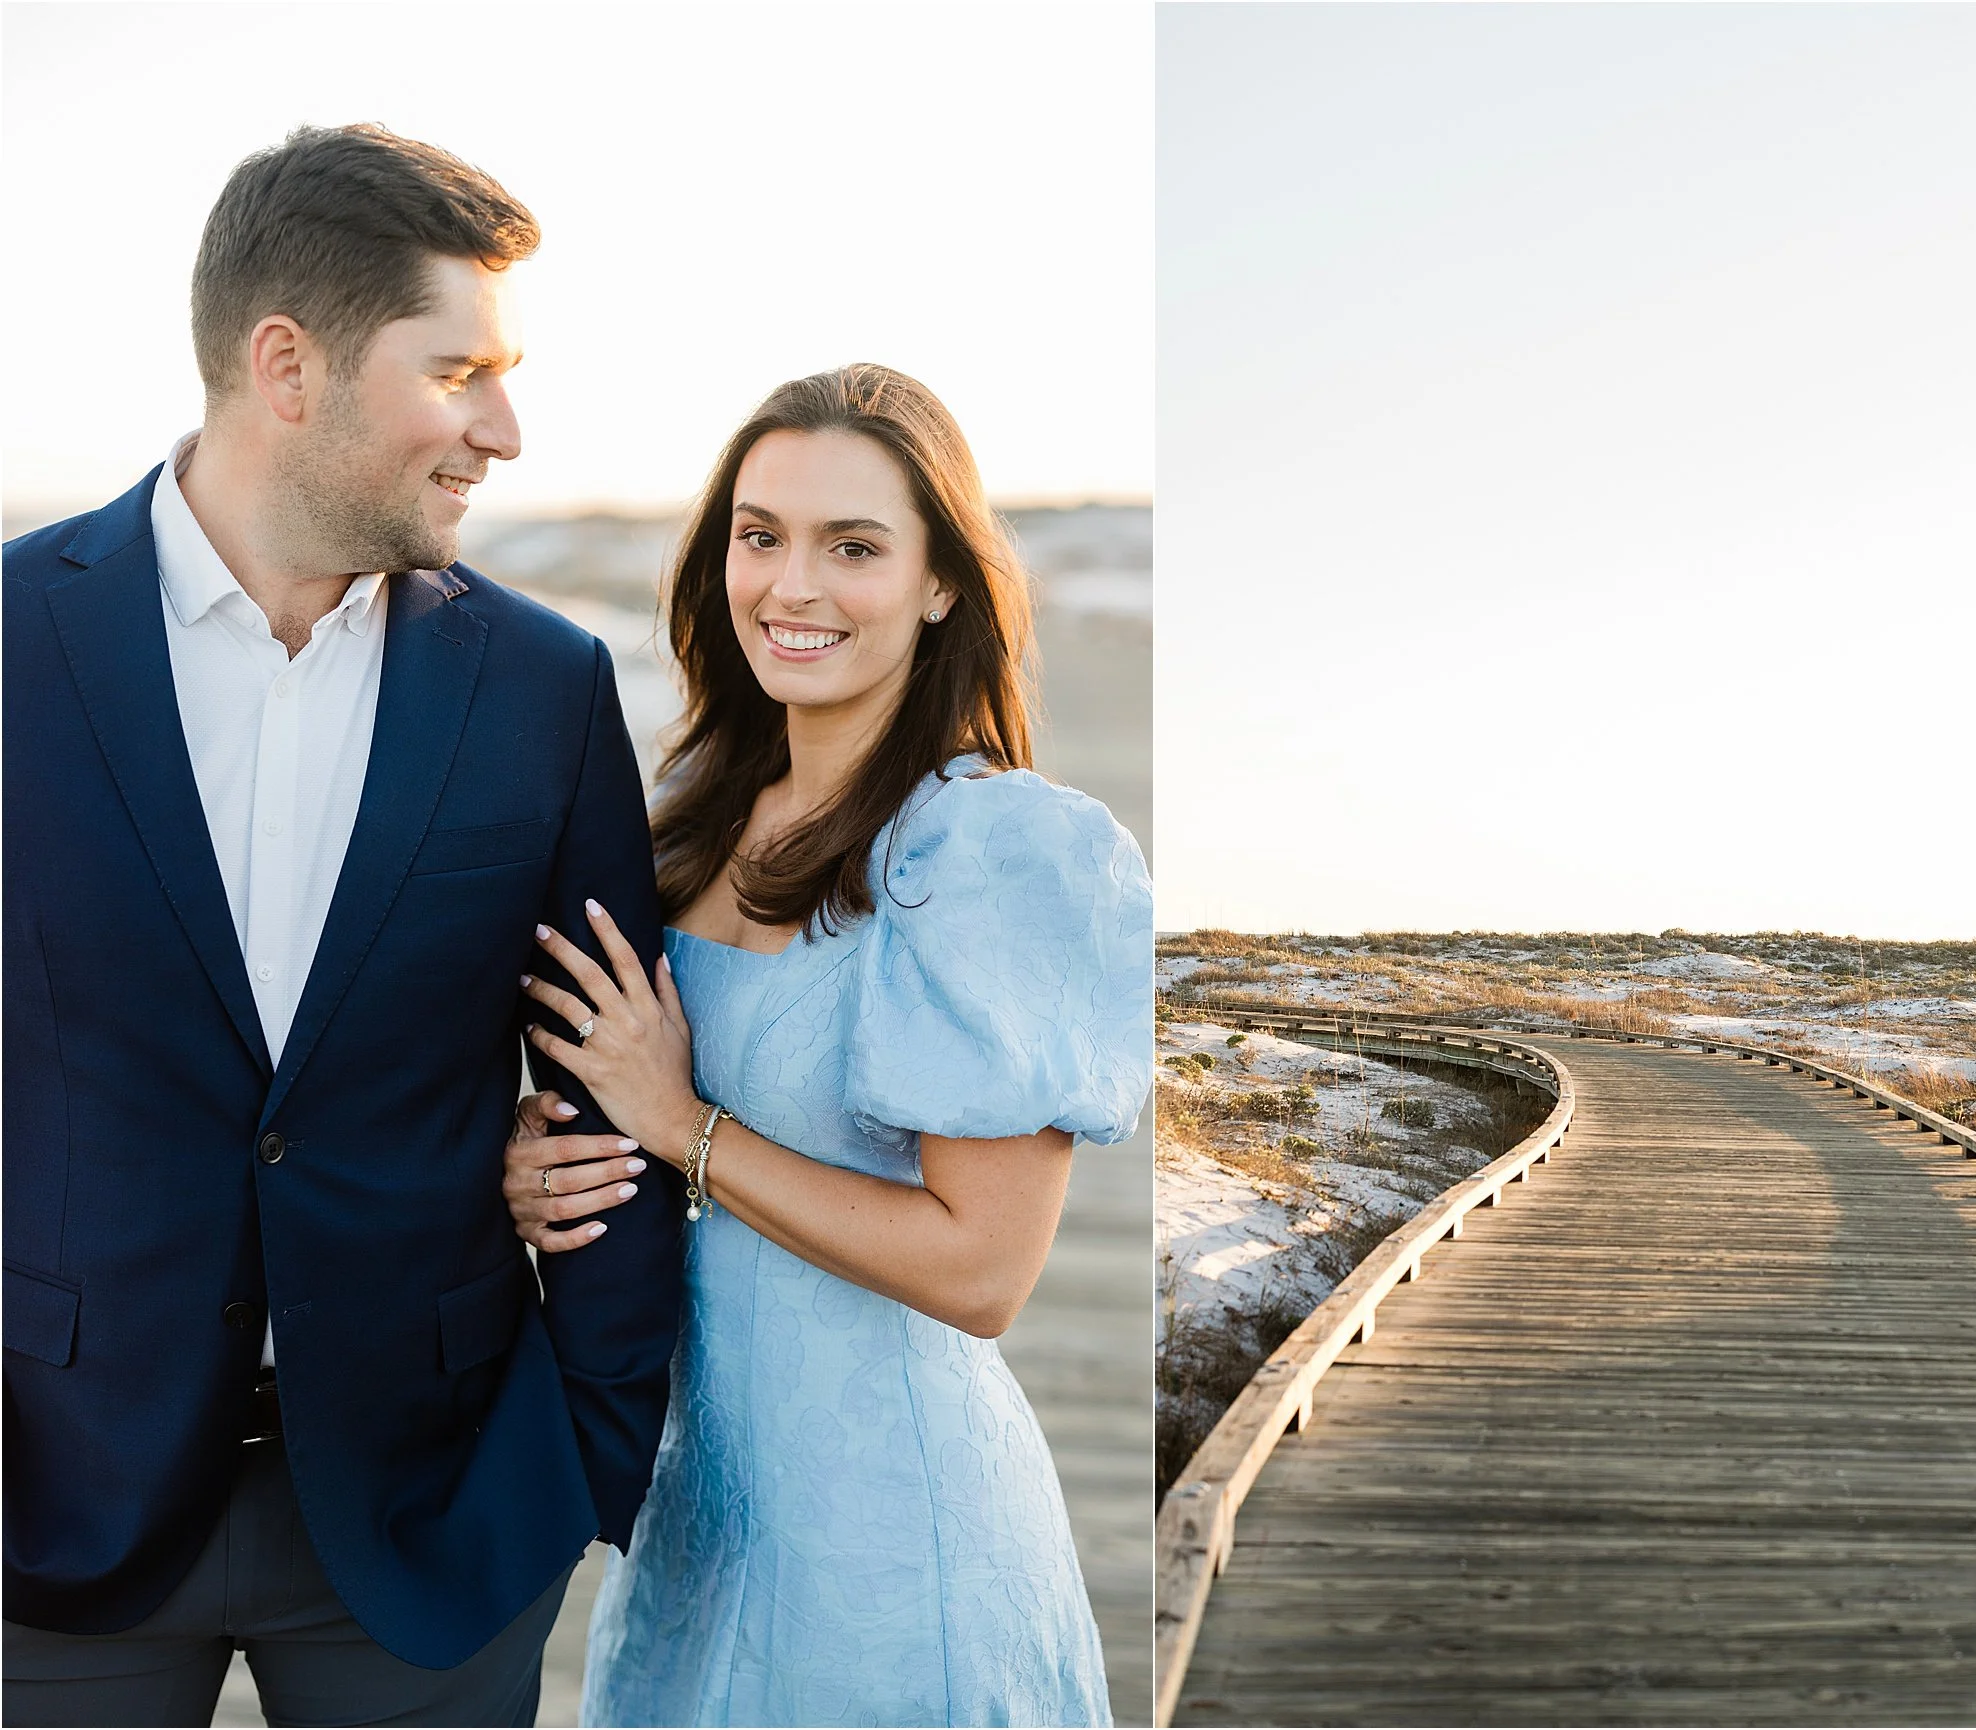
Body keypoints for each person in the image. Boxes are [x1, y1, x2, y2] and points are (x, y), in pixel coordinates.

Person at [2, 125, 684, 1726]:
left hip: (430, 1516)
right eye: (461, 372)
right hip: (49, 1505)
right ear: (286, 364)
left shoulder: (544, 691)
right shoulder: (9, 649)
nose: (503, 431)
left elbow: (609, 1101)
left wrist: (584, 1448)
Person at [497, 365, 1151, 1727]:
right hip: (699, 1525)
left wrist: (686, 1129)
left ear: (940, 584)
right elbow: (620, 1114)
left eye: (853, 546)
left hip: (898, 1550)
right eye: (761, 534)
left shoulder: (990, 849)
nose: (793, 586)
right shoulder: (686, 813)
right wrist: (535, 1168)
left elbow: (981, 1269)